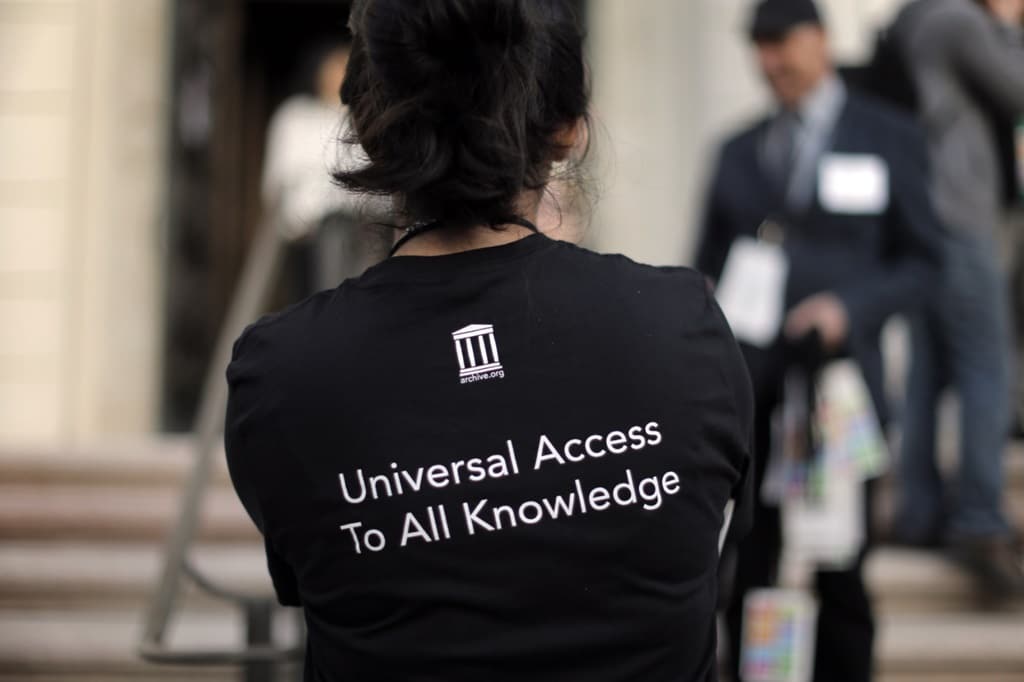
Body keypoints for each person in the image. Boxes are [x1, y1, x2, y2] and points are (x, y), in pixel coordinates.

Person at [226, 1, 754, 680]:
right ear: (568, 130)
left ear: (363, 124)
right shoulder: (687, 328)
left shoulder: (282, 375)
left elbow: (314, 575)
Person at [696, 1, 942, 680]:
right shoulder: (738, 150)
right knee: (754, 563)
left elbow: (925, 262)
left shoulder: (888, 136)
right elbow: (704, 269)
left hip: (839, 395)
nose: (772, 61)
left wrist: (850, 308)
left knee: (838, 564)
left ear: (820, 41)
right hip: (756, 395)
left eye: (783, 43)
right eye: (760, 47)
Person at [887, 0, 1024, 594]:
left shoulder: (917, 17)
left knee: (930, 368)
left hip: (926, 213)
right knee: (986, 364)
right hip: (961, 216)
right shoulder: (961, 21)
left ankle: (918, 512)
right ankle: (979, 517)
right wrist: (1009, 24)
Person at [261, 39, 391, 294]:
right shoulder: (295, 116)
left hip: (364, 231)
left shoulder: (368, 119)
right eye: (333, 67)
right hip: (309, 232)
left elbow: (381, 182)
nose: (339, 75)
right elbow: (279, 179)